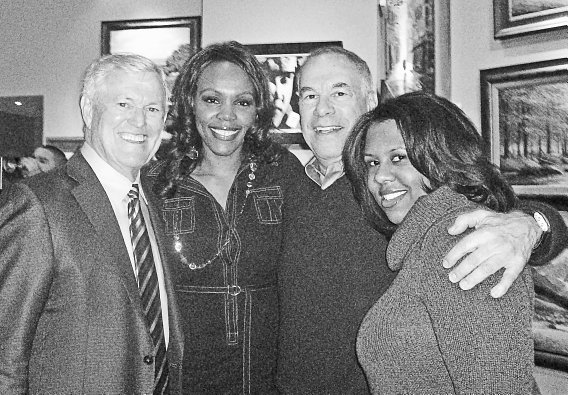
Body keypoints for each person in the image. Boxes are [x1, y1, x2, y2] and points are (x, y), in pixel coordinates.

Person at [276, 46, 567, 393]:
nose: (322, 109)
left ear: (370, 101)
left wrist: (531, 225)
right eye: (309, 95)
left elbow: (500, 209)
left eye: (339, 92)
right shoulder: (285, 183)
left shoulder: (405, 193)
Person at [0, 54, 184, 394]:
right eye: (124, 104)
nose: (140, 122)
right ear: (88, 109)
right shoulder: (36, 205)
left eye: (153, 109)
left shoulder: (153, 201)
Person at [346, 91, 537, 394]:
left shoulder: (460, 241)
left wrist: (536, 223)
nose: (380, 176)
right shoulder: (423, 241)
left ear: (442, 156)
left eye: (398, 158)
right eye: (371, 163)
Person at [145, 41, 304, 393]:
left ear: (258, 109)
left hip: (269, 381)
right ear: (190, 103)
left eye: (242, 102)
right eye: (212, 99)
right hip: (183, 382)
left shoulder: (281, 174)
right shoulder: (157, 184)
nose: (227, 116)